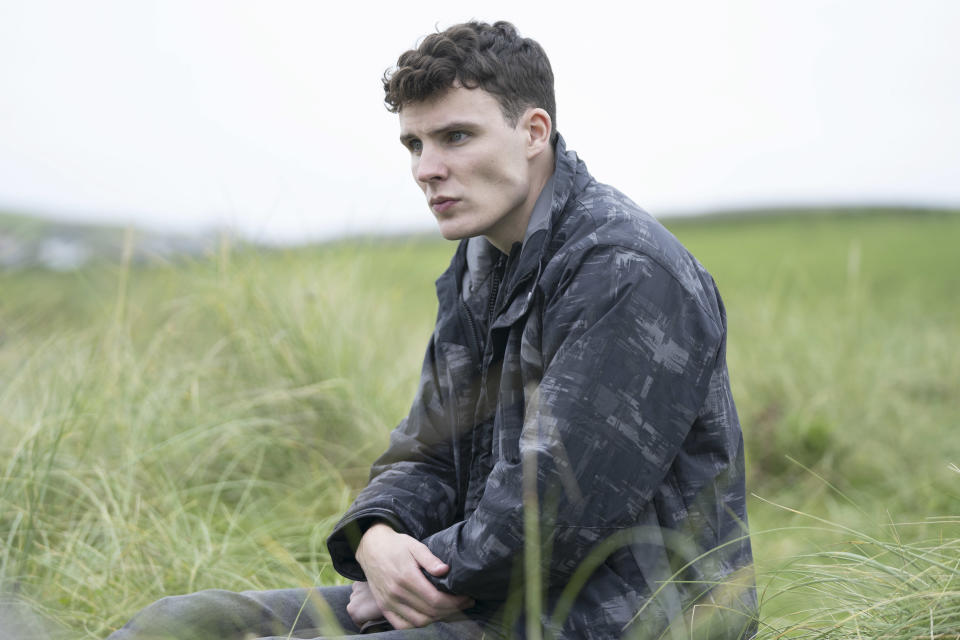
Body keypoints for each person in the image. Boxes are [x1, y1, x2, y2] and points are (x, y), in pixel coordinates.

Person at [108, 20, 757, 640]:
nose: (425, 168)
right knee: (184, 622)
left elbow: (551, 516)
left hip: (626, 618)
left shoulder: (627, 273)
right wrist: (377, 537)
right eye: (414, 144)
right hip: (490, 591)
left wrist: (412, 576)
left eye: (455, 137)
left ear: (534, 131)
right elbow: (429, 447)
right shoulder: (481, 261)